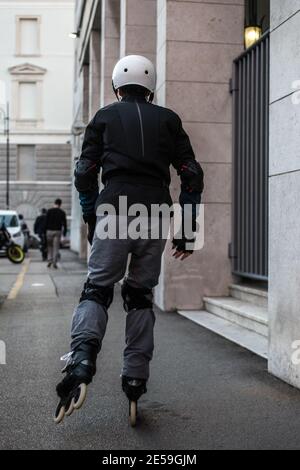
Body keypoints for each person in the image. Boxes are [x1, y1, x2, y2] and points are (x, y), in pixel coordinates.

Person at [54, 55, 204, 424]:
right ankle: (135, 378)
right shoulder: (168, 120)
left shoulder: (103, 117)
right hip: (153, 213)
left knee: (98, 289)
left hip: (113, 210)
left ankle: (83, 357)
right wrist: (185, 232)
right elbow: (191, 174)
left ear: (117, 87)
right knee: (139, 296)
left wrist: (91, 216)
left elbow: (85, 172)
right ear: (151, 89)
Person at [46, 199, 67, 269]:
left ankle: (49, 260)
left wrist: (44, 231)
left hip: (49, 231)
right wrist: (64, 233)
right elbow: (65, 223)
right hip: (57, 231)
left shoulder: (49, 211)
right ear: (60, 204)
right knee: (56, 247)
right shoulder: (62, 212)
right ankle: (54, 262)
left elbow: (45, 222)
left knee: (49, 247)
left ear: (54, 203)